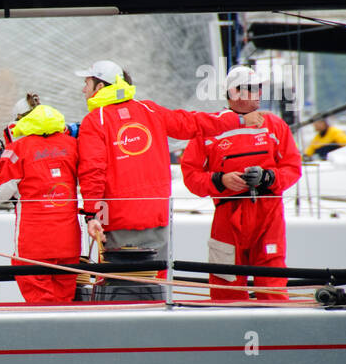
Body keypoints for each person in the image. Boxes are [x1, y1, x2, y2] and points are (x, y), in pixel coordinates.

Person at [76, 59, 260, 264]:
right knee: (157, 283)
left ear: (100, 87)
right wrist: (237, 119)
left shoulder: (94, 121)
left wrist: (91, 214)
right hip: (158, 216)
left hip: (119, 222)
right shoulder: (149, 110)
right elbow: (190, 123)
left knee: (123, 287)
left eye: (86, 83)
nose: (83, 90)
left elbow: (93, 171)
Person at [181, 66, 303, 302]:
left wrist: (267, 177)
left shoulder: (275, 126)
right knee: (225, 287)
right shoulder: (209, 130)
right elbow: (191, 175)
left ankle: (277, 333)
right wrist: (220, 180)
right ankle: (228, 335)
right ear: (234, 92)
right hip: (228, 214)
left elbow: (292, 168)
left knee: (272, 284)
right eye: (251, 88)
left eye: (259, 88)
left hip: (268, 215)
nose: (258, 93)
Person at [0, 103, 80, 303]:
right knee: (65, 304)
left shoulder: (17, 150)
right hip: (69, 243)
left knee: (41, 307)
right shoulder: (73, 145)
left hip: (34, 244)